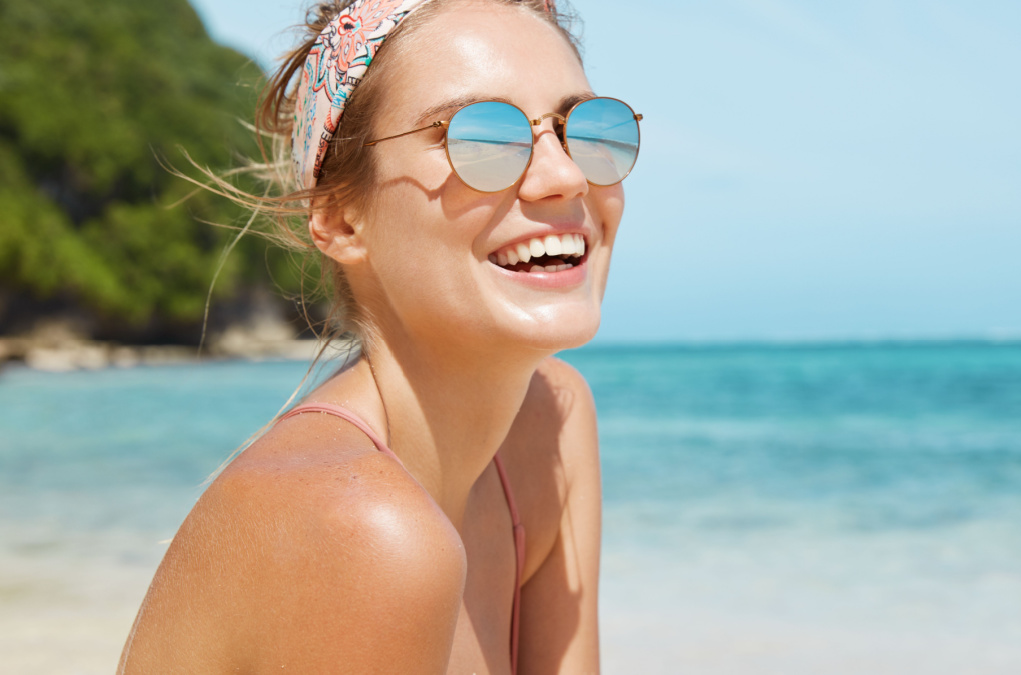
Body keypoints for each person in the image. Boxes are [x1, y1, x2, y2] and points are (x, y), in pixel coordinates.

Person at [117, 0, 641, 671]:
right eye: (480, 138)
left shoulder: (552, 427)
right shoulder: (360, 528)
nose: (566, 175)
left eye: (583, 129)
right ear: (341, 220)